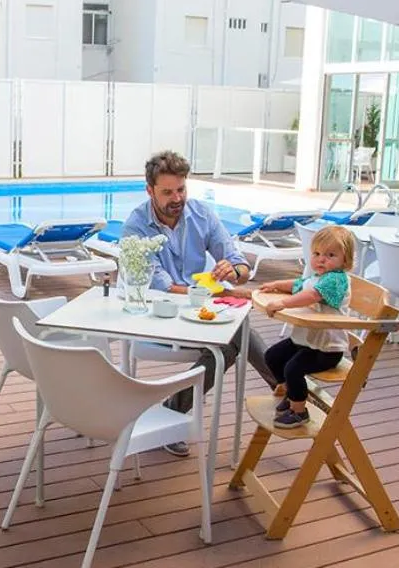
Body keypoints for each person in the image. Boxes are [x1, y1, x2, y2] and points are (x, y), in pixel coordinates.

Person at [121, 150, 273, 453]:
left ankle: (173, 412)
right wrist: (217, 293)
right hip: (156, 316)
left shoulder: (201, 214)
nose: (177, 198)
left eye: (181, 189)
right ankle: (288, 386)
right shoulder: (135, 227)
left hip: (197, 312)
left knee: (232, 336)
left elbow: (239, 266)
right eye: (167, 192)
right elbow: (161, 287)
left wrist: (234, 271)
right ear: (149, 190)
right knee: (233, 336)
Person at [243, 224, 353, 428]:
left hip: (326, 348)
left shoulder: (335, 280)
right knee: (272, 356)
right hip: (306, 341)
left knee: (293, 368)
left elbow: (311, 294)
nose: (321, 259)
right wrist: (276, 284)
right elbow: (299, 284)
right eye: (317, 253)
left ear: (345, 260)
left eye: (330, 255)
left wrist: (283, 303)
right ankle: (293, 394)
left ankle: (299, 412)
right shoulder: (318, 277)